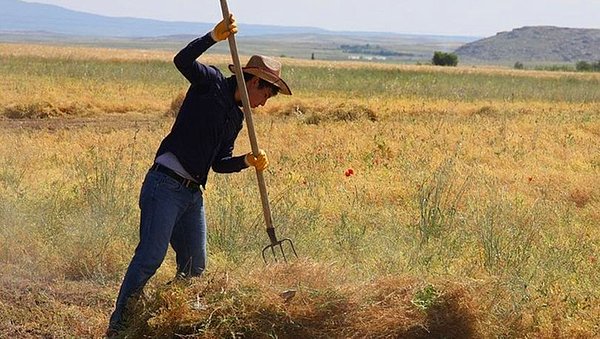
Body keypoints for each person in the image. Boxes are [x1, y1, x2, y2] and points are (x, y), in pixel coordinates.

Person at [106, 14, 292, 336]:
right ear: (253, 82)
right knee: (150, 257)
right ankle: (119, 326)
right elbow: (181, 60)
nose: (263, 103)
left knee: (194, 269)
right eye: (265, 94)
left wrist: (246, 161)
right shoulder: (211, 83)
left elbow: (218, 163)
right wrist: (212, 37)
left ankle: (163, 318)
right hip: (164, 183)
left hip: (192, 195)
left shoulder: (235, 118)